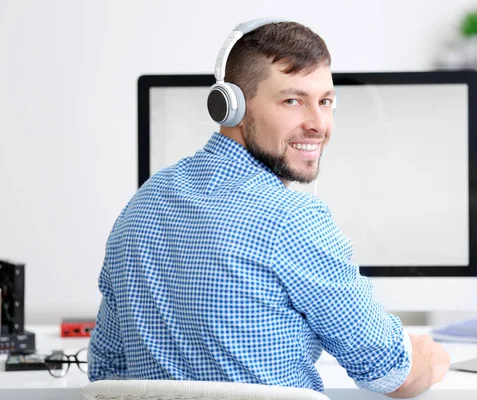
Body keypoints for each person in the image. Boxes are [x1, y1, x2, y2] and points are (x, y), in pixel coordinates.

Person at [88, 18, 450, 398]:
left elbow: (107, 371)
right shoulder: (292, 219)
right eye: (292, 100)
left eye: (325, 101)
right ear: (231, 107)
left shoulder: (143, 203)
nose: (318, 124)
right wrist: (428, 357)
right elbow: (390, 373)